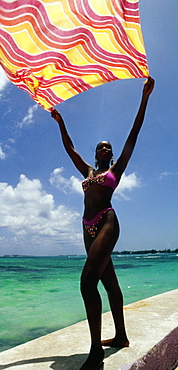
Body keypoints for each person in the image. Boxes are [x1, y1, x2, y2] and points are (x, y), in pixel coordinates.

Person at [51, 77, 155, 370]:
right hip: (86, 226)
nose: (107, 150)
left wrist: (144, 97)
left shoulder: (116, 170)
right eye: (102, 148)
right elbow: (70, 149)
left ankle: (96, 353)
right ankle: (120, 336)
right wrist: (60, 121)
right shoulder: (86, 171)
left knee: (87, 283)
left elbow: (134, 133)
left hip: (107, 222)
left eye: (109, 148)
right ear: (96, 153)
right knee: (109, 282)